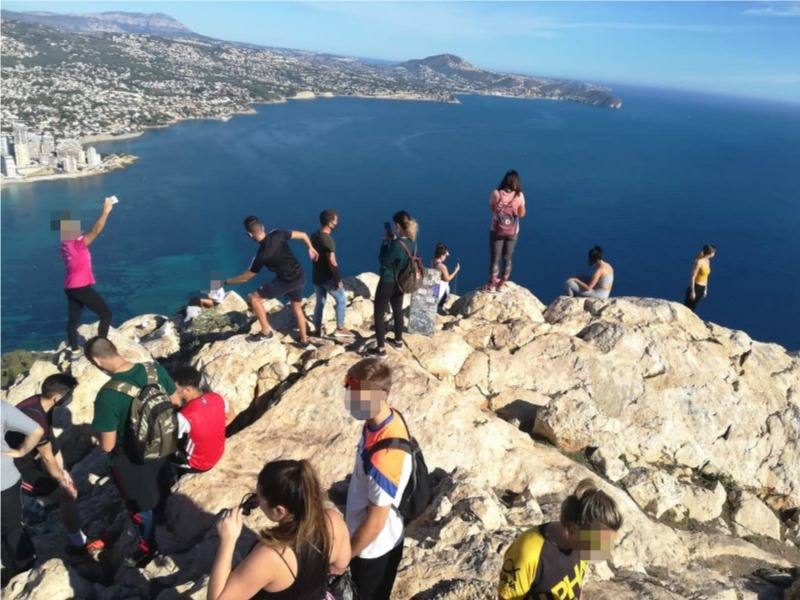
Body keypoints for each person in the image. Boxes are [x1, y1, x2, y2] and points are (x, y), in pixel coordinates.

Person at [86, 336, 177, 567]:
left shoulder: (107, 395)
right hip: (163, 445)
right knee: (162, 489)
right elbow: (175, 400)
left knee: (140, 507)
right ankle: (165, 516)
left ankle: (148, 548)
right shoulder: (153, 370)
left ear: (97, 361)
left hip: (131, 461)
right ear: (115, 349)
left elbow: (107, 445)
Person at [208, 459, 351, 599]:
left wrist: (228, 541)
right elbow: (340, 566)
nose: (257, 502)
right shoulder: (333, 520)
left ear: (279, 510)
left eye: (259, 498)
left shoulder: (272, 555)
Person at [9, 374, 103, 556]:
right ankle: (78, 545)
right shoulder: (35, 419)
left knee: (65, 490)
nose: (72, 397)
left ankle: (77, 540)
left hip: (24, 459)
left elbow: (51, 443)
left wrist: (64, 472)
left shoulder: (40, 405)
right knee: (66, 495)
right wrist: (62, 482)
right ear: (57, 398)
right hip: (11, 467)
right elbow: (46, 457)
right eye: (70, 393)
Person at [344, 358, 412, 600]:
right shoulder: (383, 420)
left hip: (373, 550)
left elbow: (375, 523)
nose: (350, 399)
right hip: (371, 539)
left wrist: (345, 557)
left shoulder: (385, 456)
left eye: (355, 393)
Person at [498, 479, 623, 600]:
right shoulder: (529, 553)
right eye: (598, 542)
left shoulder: (581, 546)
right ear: (571, 528)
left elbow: (576, 585)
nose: (603, 549)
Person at [222, 216, 319, 345]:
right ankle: (304, 340)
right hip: (300, 276)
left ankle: (266, 332)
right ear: (263, 228)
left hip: (286, 282)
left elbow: (245, 278)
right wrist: (310, 248)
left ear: (249, 235)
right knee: (297, 308)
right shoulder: (277, 233)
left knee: (254, 298)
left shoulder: (260, 256)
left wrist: (225, 282)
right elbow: (302, 235)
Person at [60, 197, 115, 360]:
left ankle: (75, 350)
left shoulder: (65, 245)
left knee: (73, 320)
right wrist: (105, 211)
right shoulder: (76, 245)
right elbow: (96, 230)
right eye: (77, 229)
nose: (81, 230)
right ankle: (102, 346)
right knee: (106, 315)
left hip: (70, 287)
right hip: (80, 287)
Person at [2, 401, 44, 586]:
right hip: (4, 480)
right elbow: (37, 431)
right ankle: (24, 568)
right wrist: (21, 452)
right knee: (12, 527)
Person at [170, 365, 235, 474]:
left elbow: (167, 441)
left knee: (161, 455)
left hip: (198, 464)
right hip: (217, 454)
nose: (173, 391)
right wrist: (212, 429)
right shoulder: (217, 398)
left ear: (187, 390)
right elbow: (231, 415)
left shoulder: (185, 416)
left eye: (176, 388)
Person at [371, 211, 419, 358]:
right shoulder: (412, 242)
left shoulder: (397, 244)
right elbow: (401, 257)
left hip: (387, 281)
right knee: (397, 309)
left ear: (397, 225)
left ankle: (380, 350)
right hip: (401, 281)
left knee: (378, 314)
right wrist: (393, 241)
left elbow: (383, 260)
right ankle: (398, 342)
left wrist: (386, 242)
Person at [311, 209, 352, 339]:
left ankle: (317, 329)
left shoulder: (314, 235)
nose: (337, 223)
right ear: (330, 223)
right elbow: (332, 261)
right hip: (328, 277)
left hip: (316, 275)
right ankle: (340, 328)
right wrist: (338, 279)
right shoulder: (328, 240)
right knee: (341, 300)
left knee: (320, 302)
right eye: (335, 221)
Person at [485, 170, 526, 292]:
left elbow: (493, 209)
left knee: (495, 258)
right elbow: (522, 214)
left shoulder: (496, 194)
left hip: (496, 230)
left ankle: (492, 284)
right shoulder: (519, 196)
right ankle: (502, 284)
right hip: (513, 231)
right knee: (507, 258)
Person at [684, 244, 716, 312]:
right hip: (696, 287)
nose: (714, 254)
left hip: (702, 288)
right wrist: (692, 291)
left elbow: (706, 276)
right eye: (714, 252)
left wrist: (705, 289)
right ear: (710, 253)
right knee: (688, 308)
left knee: (694, 307)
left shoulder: (708, 261)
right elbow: (693, 276)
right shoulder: (699, 262)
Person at [431, 242, 460, 314]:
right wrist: (455, 271)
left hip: (435, 287)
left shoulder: (432, 261)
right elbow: (447, 279)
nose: (448, 255)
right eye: (446, 255)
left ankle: (437, 306)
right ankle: (439, 307)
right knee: (444, 293)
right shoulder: (442, 267)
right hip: (441, 290)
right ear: (441, 255)